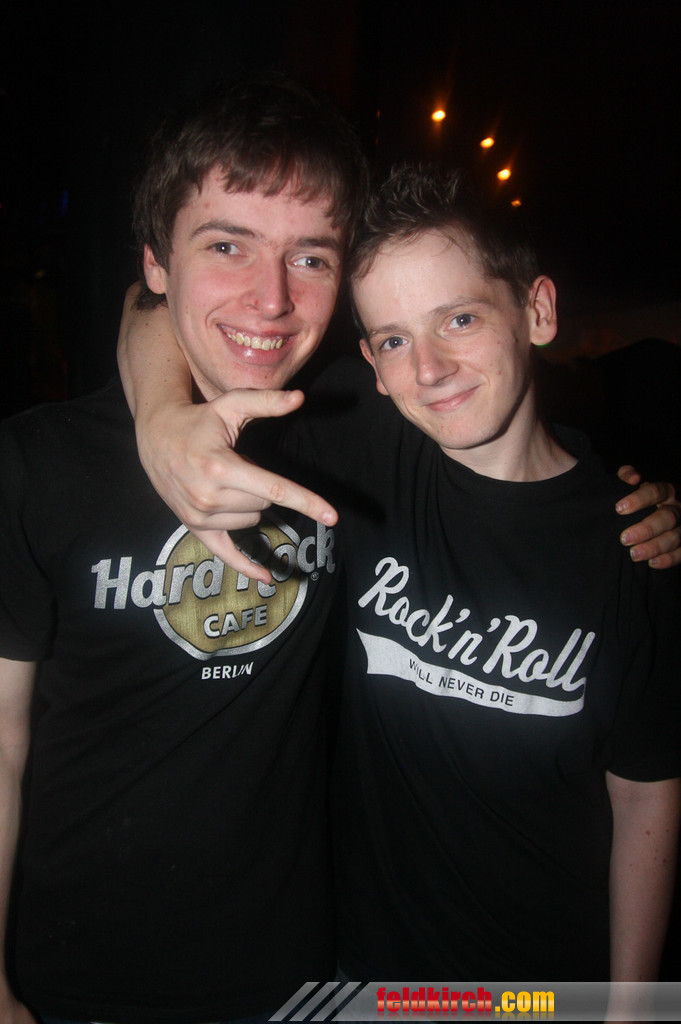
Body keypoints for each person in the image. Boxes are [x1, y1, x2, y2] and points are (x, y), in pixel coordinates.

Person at [116, 165, 680, 984]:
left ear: (536, 310)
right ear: (371, 365)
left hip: (547, 983)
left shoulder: (635, 545)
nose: (429, 367)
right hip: (368, 974)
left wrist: (632, 1004)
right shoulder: (364, 452)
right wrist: (164, 418)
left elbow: (646, 794)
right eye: (392, 340)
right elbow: (155, 301)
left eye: (459, 318)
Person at [0, 75, 368, 1024]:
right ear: (156, 263)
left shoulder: (353, 438)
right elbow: (0, 744)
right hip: (74, 977)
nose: (272, 299)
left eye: (310, 257)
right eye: (226, 245)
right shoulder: (36, 463)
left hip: (293, 975)